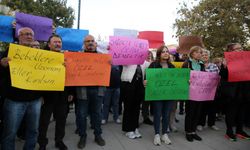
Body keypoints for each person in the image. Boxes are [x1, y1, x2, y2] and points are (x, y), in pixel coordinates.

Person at [0, 27, 43, 150]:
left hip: (35, 100)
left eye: (31, 34)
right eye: (26, 34)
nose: (29, 36)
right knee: (10, 132)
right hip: (14, 100)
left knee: (33, 131)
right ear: (19, 36)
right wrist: (2, 65)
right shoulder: (10, 51)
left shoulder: (40, 54)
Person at [38, 34, 73, 150]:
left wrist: (70, 93)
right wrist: (40, 96)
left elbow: (72, 77)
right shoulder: (42, 57)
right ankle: (42, 144)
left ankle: (59, 141)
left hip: (62, 96)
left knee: (61, 120)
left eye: (59, 42)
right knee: (44, 122)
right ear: (49, 44)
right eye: (55, 42)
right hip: (47, 97)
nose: (58, 44)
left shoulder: (66, 58)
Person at [76, 35, 106, 149]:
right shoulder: (77, 57)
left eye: (92, 41)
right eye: (87, 41)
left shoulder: (102, 57)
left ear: (96, 43)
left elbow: (110, 69)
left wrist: (109, 63)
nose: (90, 43)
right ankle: (82, 136)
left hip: (98, 90)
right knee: (82, 115)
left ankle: (98, 135)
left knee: (97, 114)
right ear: (84, 44)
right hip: (82, 91)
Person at [220, 43, 250, 141]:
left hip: (245, 90)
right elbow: (223, 76)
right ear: (231, 51)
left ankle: (239, 130)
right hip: (232, 92)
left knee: (242, 111)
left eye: (241, 48)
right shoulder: (227, 60)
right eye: (237, 49)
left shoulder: (246, 60)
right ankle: (229, 132)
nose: (240, 50)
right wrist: (224, 66)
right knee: (231, 112)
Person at [144, 45, 174, 145]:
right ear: (159, 54)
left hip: (169, 95)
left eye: (167, 51)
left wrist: (185, 81)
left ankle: (164, 134)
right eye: (163, 52)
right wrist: (145, 81)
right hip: (157, 95)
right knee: (157, 114)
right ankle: (157, 134)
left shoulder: (172, 66)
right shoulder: (153, 65)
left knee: (166, 114)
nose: (166, 53)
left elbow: (178, 80)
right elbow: (146, 77)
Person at [121, 53, 149, 139]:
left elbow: (148, 73)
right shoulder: (127, 59)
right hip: (128, 85)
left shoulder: (145, 62)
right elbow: (120, 61)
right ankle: (128, 129)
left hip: (139, 87)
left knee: (136, 108)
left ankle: (135, 127)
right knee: (128, 107)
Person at [182, 46, 205, 142]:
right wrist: (186, 80)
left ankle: (193, 131)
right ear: (192, 53)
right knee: (190, 112)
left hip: (199, 92)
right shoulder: (187, 64)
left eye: (201, 52)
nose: (200, 54)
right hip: (190, 92)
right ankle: (188, 132)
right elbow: (182, 78)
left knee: (197, 112)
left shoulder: (202, 64)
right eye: (198, 52)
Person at [197, 49, 220, 131]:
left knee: (212, 107)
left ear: (209, 56)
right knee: (202, 107)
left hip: (212, 90)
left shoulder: (214, 66)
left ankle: (212, 123)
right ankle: (200, 124)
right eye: (203, 55)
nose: (204, 56)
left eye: (206, 55)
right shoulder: (198, 65)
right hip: (201, 91)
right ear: (200, 56)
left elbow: (217, 76)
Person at [142, 51, 154, 125]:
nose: (149, 56)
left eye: (150, 55)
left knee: (147, 103)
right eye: (148, 55)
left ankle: (146, 117)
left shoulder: (153, 64)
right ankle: (144, 116)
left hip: (150, 86)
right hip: (142, 86)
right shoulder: (142, 63)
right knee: (144, 103)